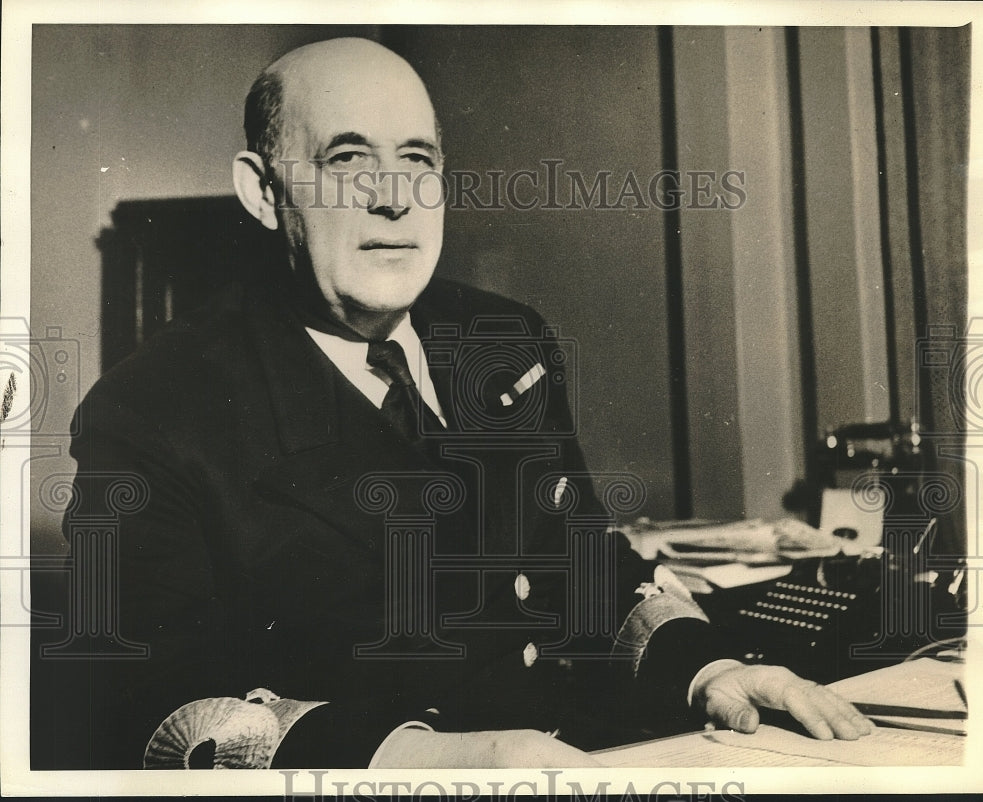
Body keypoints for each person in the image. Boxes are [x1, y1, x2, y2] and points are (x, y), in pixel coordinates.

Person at [35, 37, 871, 770]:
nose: (394, 196)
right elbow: (152, 713)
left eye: (419, 160)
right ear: (262, 192)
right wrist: (427, 758)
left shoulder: (500, 338)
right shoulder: (154, 409)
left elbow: (578, 565)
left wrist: (712, 669)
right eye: (348, 159)